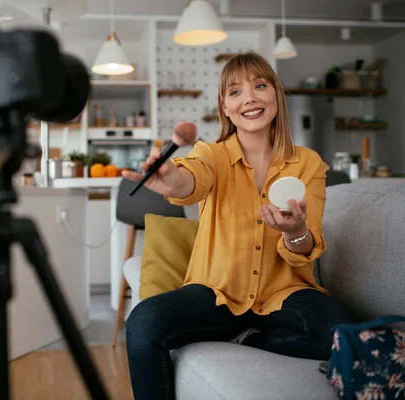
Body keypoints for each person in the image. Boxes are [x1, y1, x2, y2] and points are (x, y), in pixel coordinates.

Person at [121, 52, 356, 400]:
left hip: (284, 294)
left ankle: (246, 338)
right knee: (142, 322)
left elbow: (309, 244)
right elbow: (191, 179)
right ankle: (232, 330)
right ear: (225, 108)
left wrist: (294, 232)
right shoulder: (212, 154)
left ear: (276, 94)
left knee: (336, 331)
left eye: (260, 85)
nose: (250, 97)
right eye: (235, 92)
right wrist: (173, 180)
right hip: (217, 292)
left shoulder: (308, 164)